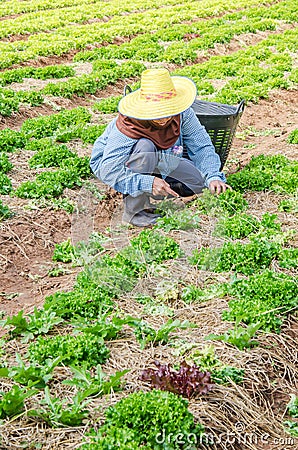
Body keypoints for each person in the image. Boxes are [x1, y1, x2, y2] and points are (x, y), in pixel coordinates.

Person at [90, 68, 231, 226]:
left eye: (168, 111)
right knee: (145, 146)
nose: (164, 119)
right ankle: (134, 211)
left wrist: (212, 176)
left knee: (199, 182)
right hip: (122, 163)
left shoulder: (182, 114)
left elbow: (202, 146)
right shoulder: (129, 124)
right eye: (158, 114)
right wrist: (146, 182)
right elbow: (108, 168)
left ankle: (158, 190)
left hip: (164, 158)